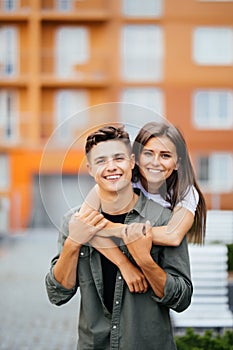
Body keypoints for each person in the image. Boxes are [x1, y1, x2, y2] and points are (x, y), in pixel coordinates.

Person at [45, 125, 193, 350]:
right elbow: (58, 294)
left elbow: (181, 299)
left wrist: (144, 262)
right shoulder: (74, 221)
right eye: (101, 161)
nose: (111, 167)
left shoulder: (164, 219)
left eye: (118, 158)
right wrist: (73, 243)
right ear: (90, 168)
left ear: (132, 162)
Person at [79, 121, 206, 292]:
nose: (155, 162)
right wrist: (124, 265)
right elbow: (83, 225)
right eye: (148, 153)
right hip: (121, 268)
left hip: (163, 265)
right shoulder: (123, 179)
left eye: (165, 156)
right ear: (136, 158)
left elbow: (173, 235)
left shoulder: (185, 191)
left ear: (177, 162)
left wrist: (115, 229)